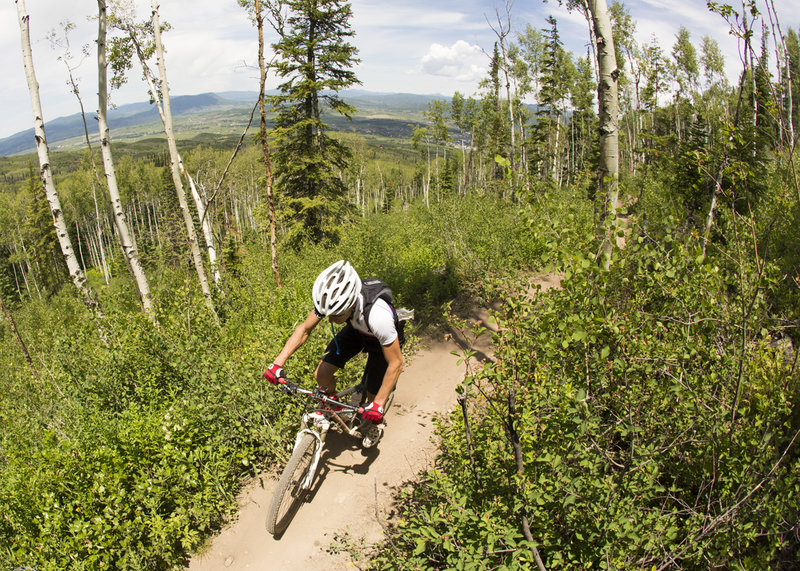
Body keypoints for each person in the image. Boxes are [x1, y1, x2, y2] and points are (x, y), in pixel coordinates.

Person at [264, 260, 407, 447]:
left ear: (351, 304)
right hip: (357, 330)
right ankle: (337, 406)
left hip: (379, 340)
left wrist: (378, 404)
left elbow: (395, 363)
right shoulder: (332, 301)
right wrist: (277, 363)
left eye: (335, 314)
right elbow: (305, 329)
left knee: (372, 399)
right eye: (327, 313)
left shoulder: (378, 316)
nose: (329, 318)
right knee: (321, 375)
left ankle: (372, 425)